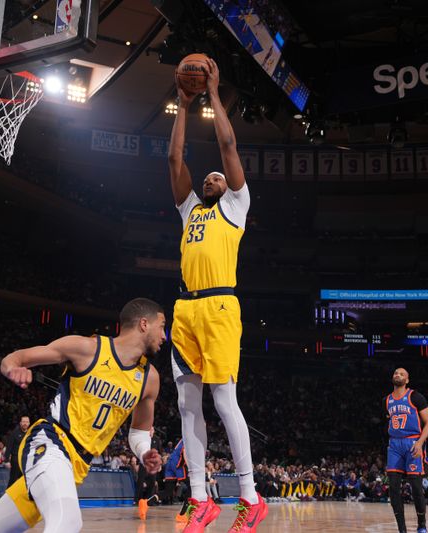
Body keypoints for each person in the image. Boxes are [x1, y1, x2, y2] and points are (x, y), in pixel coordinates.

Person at [168, 57, 266, 532]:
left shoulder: (235, 206)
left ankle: (249, 495)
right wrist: (181, 105)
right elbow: (175, 160)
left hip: (221, 305)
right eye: (207, 177)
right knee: (188, 406)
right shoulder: (190, 210)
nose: (211, 177)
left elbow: (227, 142)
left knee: (224, 402)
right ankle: (198, 497)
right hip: (185, 308)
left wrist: (212, 93)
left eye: (217, 177)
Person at [0, 298, 166, 533]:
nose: (165, 336)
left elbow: (140, 432)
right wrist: (13, 368)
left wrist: (144, 452)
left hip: (77, 465)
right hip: (51, 442)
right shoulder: (87, 348)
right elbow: (13, 358)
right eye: (162, 326)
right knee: (68, 523)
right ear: (144, 324)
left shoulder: (149, 378)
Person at [385, 368, 428, 533]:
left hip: (413, 442)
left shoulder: (415, 397)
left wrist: (420, 443)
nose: (397, 374)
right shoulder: (387, 400)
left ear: (407, 380)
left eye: (402, 374)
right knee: (393, 486)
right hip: (394, 445)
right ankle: (402, 529)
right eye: (396, 373)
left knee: (416, 485)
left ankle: (422, 525)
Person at [4, 416, 30, 486]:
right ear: (20, 423)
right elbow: (9, 447)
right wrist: (6, 461)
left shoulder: (30, 434)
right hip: (15, 460)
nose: (25, 423)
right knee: (13, 479)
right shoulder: (14, 433)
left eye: (27, 422)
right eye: (23, 422)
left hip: (26, 460)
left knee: (24, 480)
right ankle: (8, 496)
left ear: (29, 423)